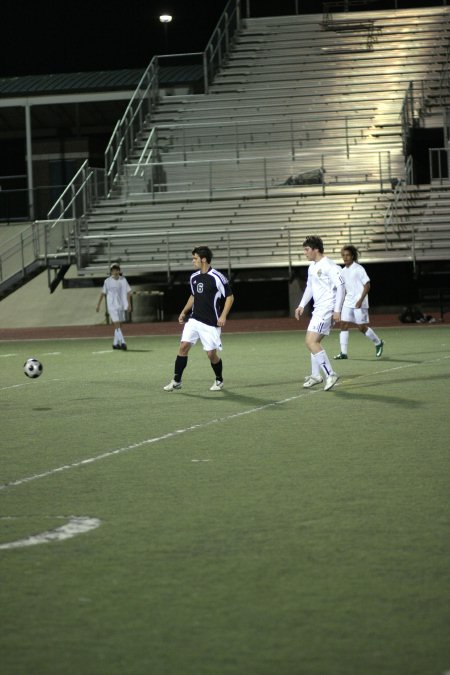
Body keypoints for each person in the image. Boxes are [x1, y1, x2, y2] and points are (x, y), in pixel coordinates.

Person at [164, 246, 234, 392]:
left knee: (211, 354)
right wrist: (184, 311)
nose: (192, 261)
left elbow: (229, 297)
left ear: (203, 259)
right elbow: (193, 295)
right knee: (183, 347)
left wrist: (223, 316)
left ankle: (219, 380)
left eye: (195, 258)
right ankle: (176, 381)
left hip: (210, 323)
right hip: (194, 319)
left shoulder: (217, 277)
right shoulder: (194, 277)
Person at [294, 236, 345, 391]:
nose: (305, 253)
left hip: (327, 309)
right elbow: (310, 287)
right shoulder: (312, 267)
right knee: (314, 343)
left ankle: (331, 374)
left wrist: (337, 310)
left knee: (311, 341)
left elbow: (341, 287)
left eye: (307, 249)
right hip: (318, 310)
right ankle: (316, 375)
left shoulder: (330, 266)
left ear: (316, 249)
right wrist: (301, 305)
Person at [334, 245, 384, 360]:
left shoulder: (359, 268)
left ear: (352, 256)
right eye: (343, 255)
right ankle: (343, 353)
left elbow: (367, 285)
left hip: (359, 302)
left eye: (347, 255)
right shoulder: (342, 271)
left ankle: (378, 342)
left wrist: (360, 300)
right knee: (343, 324)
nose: (345, 258)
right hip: (348, 302)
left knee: (361, 327)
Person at [96, 263, 131, 350]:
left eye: (116, 269)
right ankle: (123, 342)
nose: (115, 271)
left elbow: (128, 292)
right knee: (116, 324)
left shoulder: (123, 280)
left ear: (119, 270)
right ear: (111, 271)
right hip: (111, 305)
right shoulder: (107, 281)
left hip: (120, 305)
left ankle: (115, 343)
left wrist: (129, 304)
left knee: (119, 324)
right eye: (113, 270)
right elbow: (103, 293)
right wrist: (98, 304)